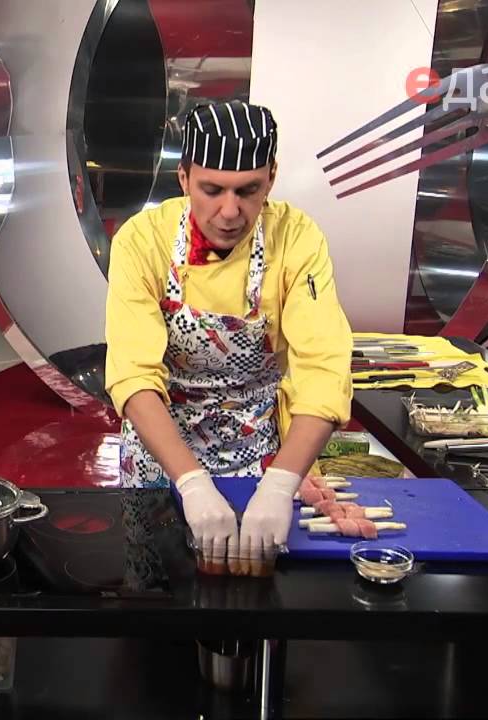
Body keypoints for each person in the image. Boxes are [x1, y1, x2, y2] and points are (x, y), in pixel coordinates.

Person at [105, 100, 352, 568]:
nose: (229, 211)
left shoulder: (296, 239)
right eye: (212, 189)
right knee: (155, 586)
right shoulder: (143, 241)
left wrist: (280, 485)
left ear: (271, 179)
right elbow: (132, 375)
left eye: (248, 190)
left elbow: (324, 369)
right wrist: (192, 483)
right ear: (183, 178)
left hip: (258, 458)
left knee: (255, 591)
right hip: (161, 457)